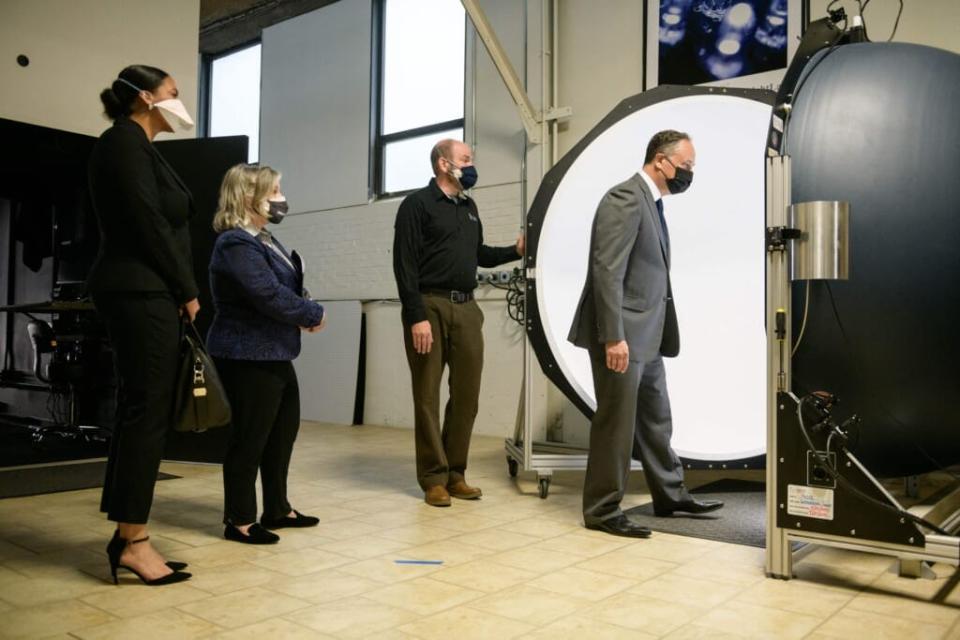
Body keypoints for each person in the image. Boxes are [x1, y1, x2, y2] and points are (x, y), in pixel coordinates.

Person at [568, 130, 723, 538]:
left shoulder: (653, 204)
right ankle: (602, 509)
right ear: (660, 161)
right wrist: (613, 336)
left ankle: (670, 495)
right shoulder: (624, 198)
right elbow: (607, 272)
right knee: (616, 424)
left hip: (649, 334)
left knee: (656, 419)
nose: (689, 174)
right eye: (686, 166)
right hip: (622, 335)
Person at [89, 64, 197, 585]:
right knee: (146, 413)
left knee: (142, 411)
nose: (181, 102)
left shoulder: (139, 146)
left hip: (147, 292)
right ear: (146, 98)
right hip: (139, 291)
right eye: (173, 94)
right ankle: (133, 541)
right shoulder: (123, 143)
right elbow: (148, 223)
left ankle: (127, 536)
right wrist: (188, 289)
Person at [393, 139, 524, 507]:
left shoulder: (469, 206)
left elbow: (478, 254)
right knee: (428, 396)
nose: (471, 166)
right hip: (429, 307)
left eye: (471, 160)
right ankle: (433, 478)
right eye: (465, 160)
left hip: (467, 309)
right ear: (443, 164)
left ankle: (455, 474)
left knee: (466, 397)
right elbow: (404, 266)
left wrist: (514, 252)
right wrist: (416, 316)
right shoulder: (416, 205)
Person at [207, 164, 325, 544]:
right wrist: (311, 314)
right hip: (247, 355)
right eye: (273, 192)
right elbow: (266, 294)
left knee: (281, 434)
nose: (280, 199)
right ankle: (239, 520)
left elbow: (283, 287)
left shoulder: (264, 239)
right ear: (247, 198)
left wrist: (302, 308)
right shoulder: (234, 243)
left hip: (274, 351)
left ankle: (277, 508)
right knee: (251, 438)